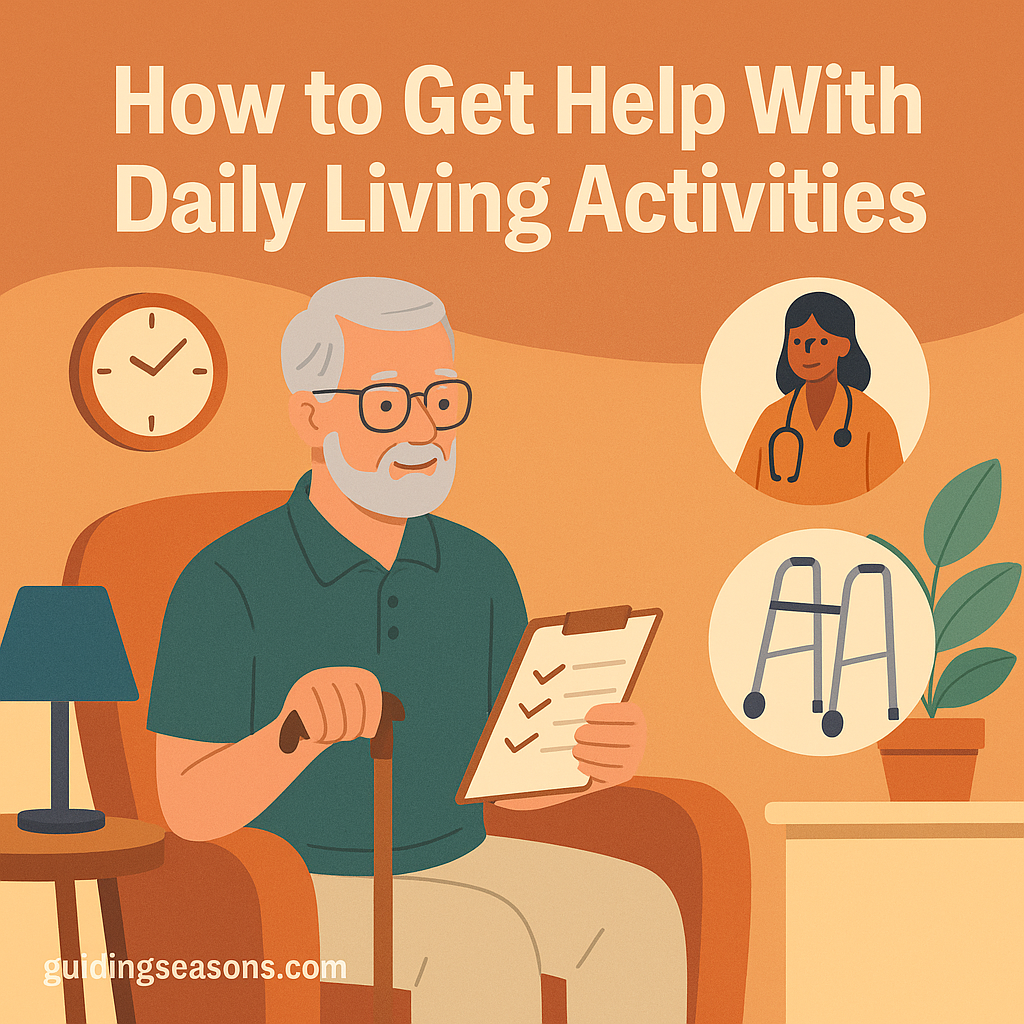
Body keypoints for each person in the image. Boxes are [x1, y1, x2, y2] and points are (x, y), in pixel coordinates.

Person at [147, 277, 686, 1023]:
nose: (422, 430)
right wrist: (289, 736)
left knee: (634, 910)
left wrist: (586, 764)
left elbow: (506, 779)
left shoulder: (479, 568)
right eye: (386, 404)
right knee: (479, 940)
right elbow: (185, 806)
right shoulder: (226, 579)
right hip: (297, 887)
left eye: (440, 400)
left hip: (461, 855)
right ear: (310, 415)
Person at [735, 291, 903, 504]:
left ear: (844, 346)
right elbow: (741, 494)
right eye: (796, 341)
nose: (807, 351)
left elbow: (893, 502)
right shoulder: (771, 419)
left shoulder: (876, 421)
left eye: (821, 341)